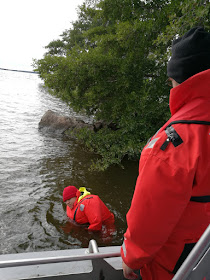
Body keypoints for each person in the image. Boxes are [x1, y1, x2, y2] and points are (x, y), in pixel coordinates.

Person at [121, 27, 210, 280]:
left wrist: (131, 258)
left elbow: (148, 220)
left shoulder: (173, 144)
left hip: (178, 267)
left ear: (181, 79)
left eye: (170, 80)